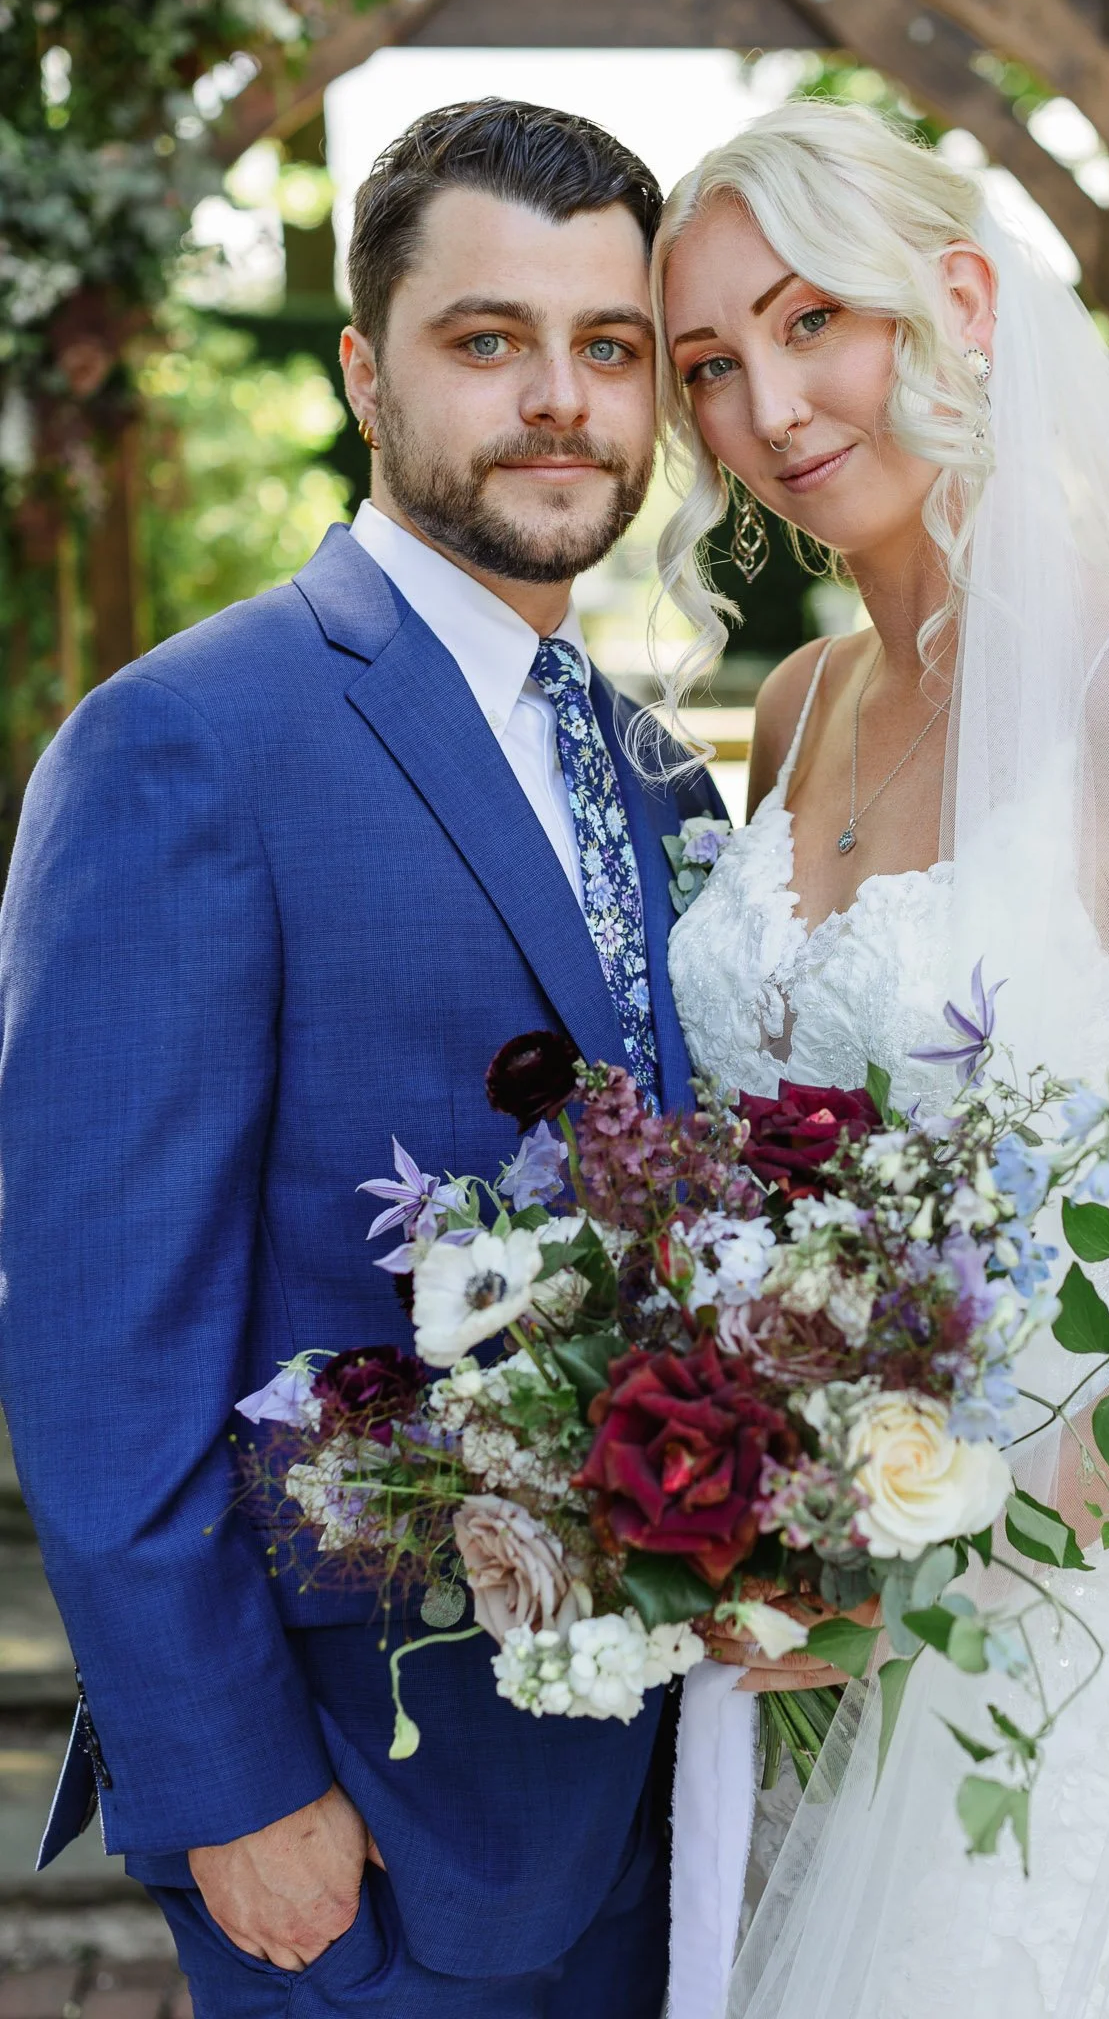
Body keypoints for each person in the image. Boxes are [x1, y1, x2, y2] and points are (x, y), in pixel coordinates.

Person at [0, 98, 723, 2019]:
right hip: (370, 1814)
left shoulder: (655, 775)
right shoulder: (188, 745)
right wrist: (228, 1780)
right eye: (486, 343)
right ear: (364, 372)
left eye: (609, 348)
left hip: (680, 1787)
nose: (556, 401)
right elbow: (95, 1339)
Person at [656, 101, 1109, 2019]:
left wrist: (946, 1547)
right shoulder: (801, 705)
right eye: (713, 366)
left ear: (956, 301)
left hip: (1045, 1583)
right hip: (773, 1598)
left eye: (816, 323)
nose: (770, 406)